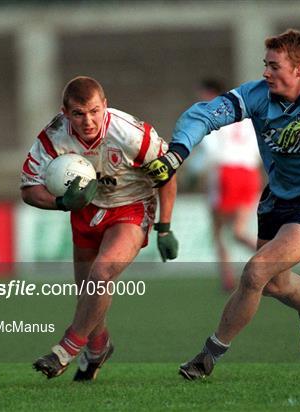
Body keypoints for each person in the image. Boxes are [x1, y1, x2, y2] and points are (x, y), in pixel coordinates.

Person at [143, 29, 300, 379]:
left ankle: (206, 358)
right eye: (264, 65)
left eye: (274, 66)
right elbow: (203, 115)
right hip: (276, 200)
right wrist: (178, 153)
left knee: (255, 272)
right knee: (273, 283)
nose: (265, 73)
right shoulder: (257, 94)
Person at [21, 76, 178, 381]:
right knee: (88, 294)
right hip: (85, 210)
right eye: (79, 114)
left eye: (94, 111)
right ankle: (98, 345)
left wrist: (165, 227)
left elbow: (167, 175)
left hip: (132, 205)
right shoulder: (52, 138)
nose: (88, 120)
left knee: (102, 273)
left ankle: (65, 350)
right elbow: (28, 190)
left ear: (104, 105)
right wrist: (63, 203)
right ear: (65, 113)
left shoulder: (131, 133)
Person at [187, 79, 263, 291]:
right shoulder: (245, 116)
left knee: (219, 231)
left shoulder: (211, 114)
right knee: (238, 230)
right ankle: (275, 261)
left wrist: (192, 174)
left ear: (211, 94)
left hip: (226, 174)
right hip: (249, 174)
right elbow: (258, 150)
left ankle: (227, 280)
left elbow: (210, 152)